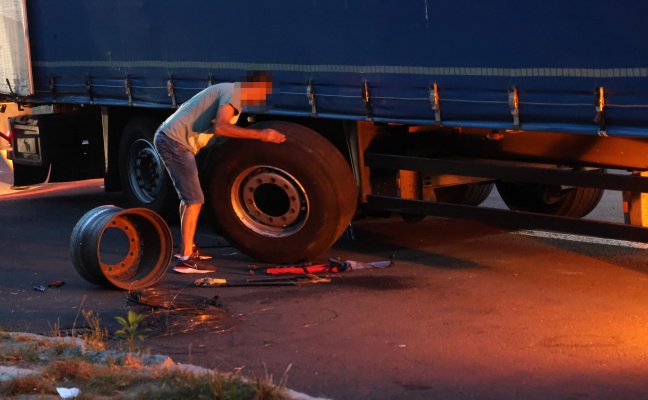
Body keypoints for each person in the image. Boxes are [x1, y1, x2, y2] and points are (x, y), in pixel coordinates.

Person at [153, 71, 286, 274]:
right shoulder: (234, 94)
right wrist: (261, 135)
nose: (262, 99)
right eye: (263, 94)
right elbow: (222, 128)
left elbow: (215, 128)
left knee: (189, 198)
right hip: (175, 143)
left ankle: (186, 250)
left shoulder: (228, 91)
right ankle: (187, 260)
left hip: (172, 139)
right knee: (195, 200)